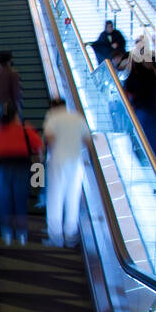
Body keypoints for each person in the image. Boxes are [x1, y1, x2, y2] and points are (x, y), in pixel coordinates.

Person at [42, 99, 90, 249]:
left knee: (55, 198)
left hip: (58, 161)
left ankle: (55, 237)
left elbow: (49, 140)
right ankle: (70, 235)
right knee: (73, 197)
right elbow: (87, 140)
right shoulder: (78, 118)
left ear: (53, 107)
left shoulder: (52, 117)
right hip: (76, 162)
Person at [0, 109, 43, 245]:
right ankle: (21, 233)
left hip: (2, 168)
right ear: (15, 118)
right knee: (20, 200)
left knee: (4, 200)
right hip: (21, 167)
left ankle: (6, 232)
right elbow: (38, 146)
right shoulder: (25, 130)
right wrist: (39, 169)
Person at [123, 51, 156, 154]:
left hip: (144, 107)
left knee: (145, 132)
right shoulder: (140, 73)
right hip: (143, 107)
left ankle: (147, 154)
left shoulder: (145, 73)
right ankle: (148, 154)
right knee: (145, 132)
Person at [0, 50, 24, 118]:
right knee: (11, 127)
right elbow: (16, 93)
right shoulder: (14, 75)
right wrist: (18, 108)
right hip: (9, 107)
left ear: (0, 63)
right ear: (9, 62)